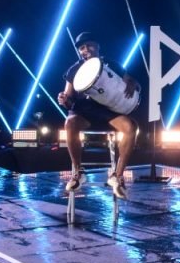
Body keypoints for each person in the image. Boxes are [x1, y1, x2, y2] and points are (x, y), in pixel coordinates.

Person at [57, 32, 139, 199]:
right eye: (82, 48)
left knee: (130, 128)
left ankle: (117, 177)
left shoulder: (111, 64)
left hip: (109, 112)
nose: (86, 50)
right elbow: (68, 97)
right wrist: (63, 99)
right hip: (84, 112)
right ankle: (78, 173)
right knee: (69, 123)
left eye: (89, 45)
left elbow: (132, 82)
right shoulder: (74, 70)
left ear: (97, 46)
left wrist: (132, 83)